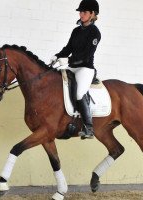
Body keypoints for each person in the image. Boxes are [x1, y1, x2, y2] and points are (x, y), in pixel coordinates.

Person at [50, 0, 101, 139]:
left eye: (84, 12)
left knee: (79, 94)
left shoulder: (95, 33)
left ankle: (89, 127)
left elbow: (86, 55)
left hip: (85, 68)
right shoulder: (76, 31)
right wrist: (57, 56)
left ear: (92, 14)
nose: (81, 14)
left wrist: (69, 60)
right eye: (80, 12)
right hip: (72, 67)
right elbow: (68, 49)